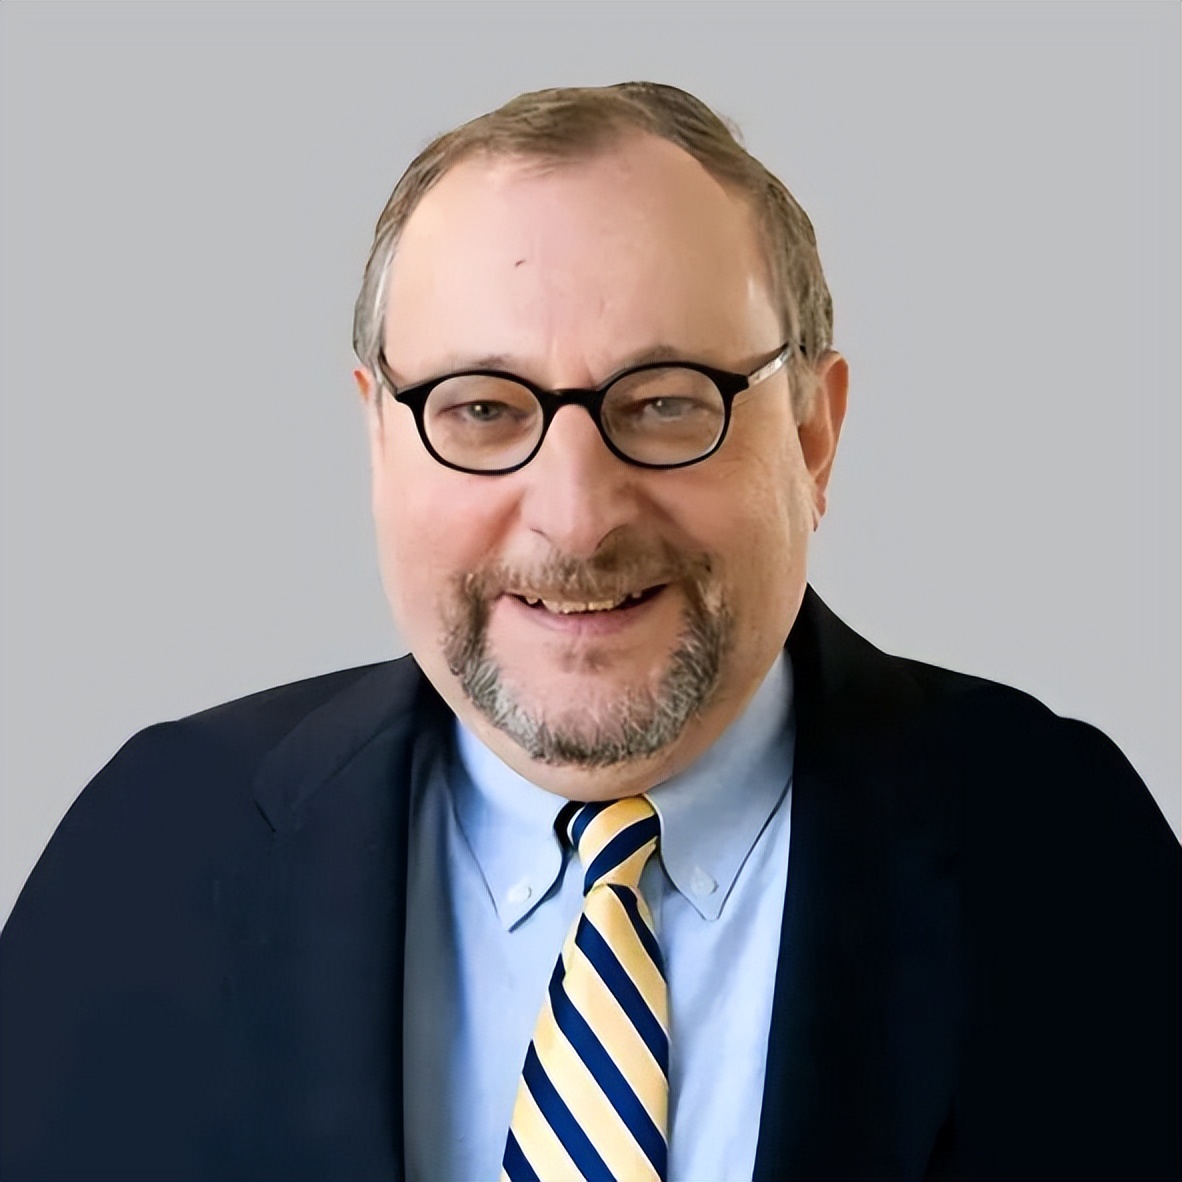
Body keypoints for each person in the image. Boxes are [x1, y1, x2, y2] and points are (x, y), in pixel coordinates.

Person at [0, 81, 1177, 1182]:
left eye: (665, 403)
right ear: (379, 439)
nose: (574, 517)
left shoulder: (1066, 854)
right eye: (480, 409)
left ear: (814, 436)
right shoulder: (152, 851)